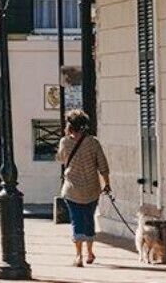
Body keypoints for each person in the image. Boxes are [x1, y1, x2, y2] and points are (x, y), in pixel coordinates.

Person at [56, 109, 110, 268]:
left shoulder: (64, 142)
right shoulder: (93, 142)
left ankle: (78, 256)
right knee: (89, 219)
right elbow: (103, 166)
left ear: (70, 126)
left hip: (72, 189)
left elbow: (60, 159)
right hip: (92, 189)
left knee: (76, 221)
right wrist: (106, 184)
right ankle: (90, 252)